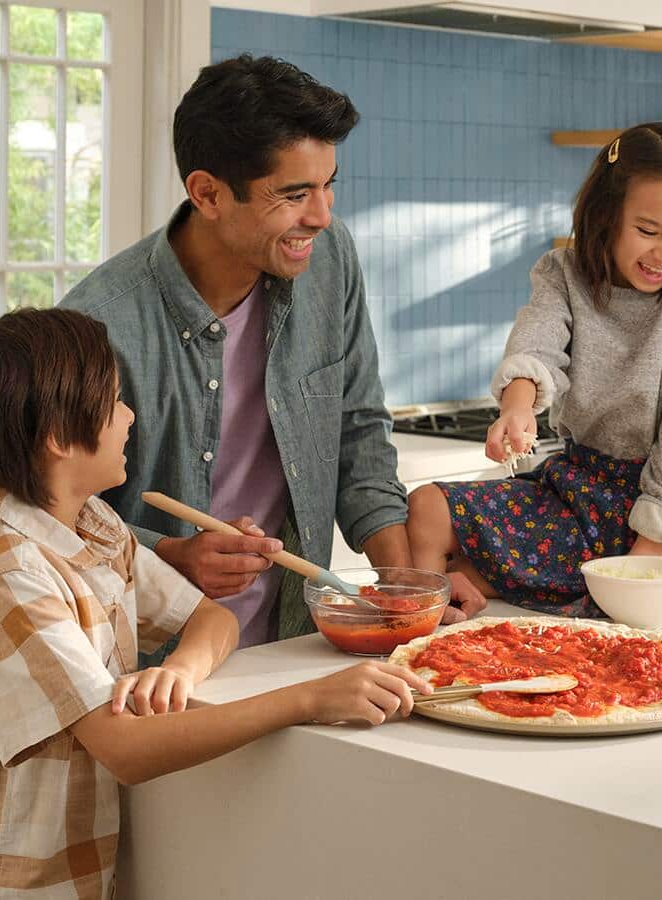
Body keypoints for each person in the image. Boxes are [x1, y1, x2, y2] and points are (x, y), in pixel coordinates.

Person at [0, 308, 430, 899]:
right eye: (113, 402)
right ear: (57, 438)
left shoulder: (95, 526)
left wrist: (180, 669)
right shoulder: (13, 577)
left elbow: (211, 617)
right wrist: (309, 698)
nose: (130, 416)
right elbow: (124, 750)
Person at [62, 54, 485, 652]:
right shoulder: (97, 324)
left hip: (296, 642)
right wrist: (171, 555)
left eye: (327, 185)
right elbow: (57, 515)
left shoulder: (329, 260)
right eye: (293, 194)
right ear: (207, 193)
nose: (321, 215)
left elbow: (356, 429)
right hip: (155, 667)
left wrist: (408, 585)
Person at [406, 122, 662, 616]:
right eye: (647, 231)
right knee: (426, 508)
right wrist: (517, 406)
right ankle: (434, 627)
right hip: (571, 492)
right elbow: (539, 341)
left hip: (654, 514)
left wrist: (643, 562)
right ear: (607, 214)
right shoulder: (562, 274)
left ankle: (480, 592)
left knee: (584, 588)